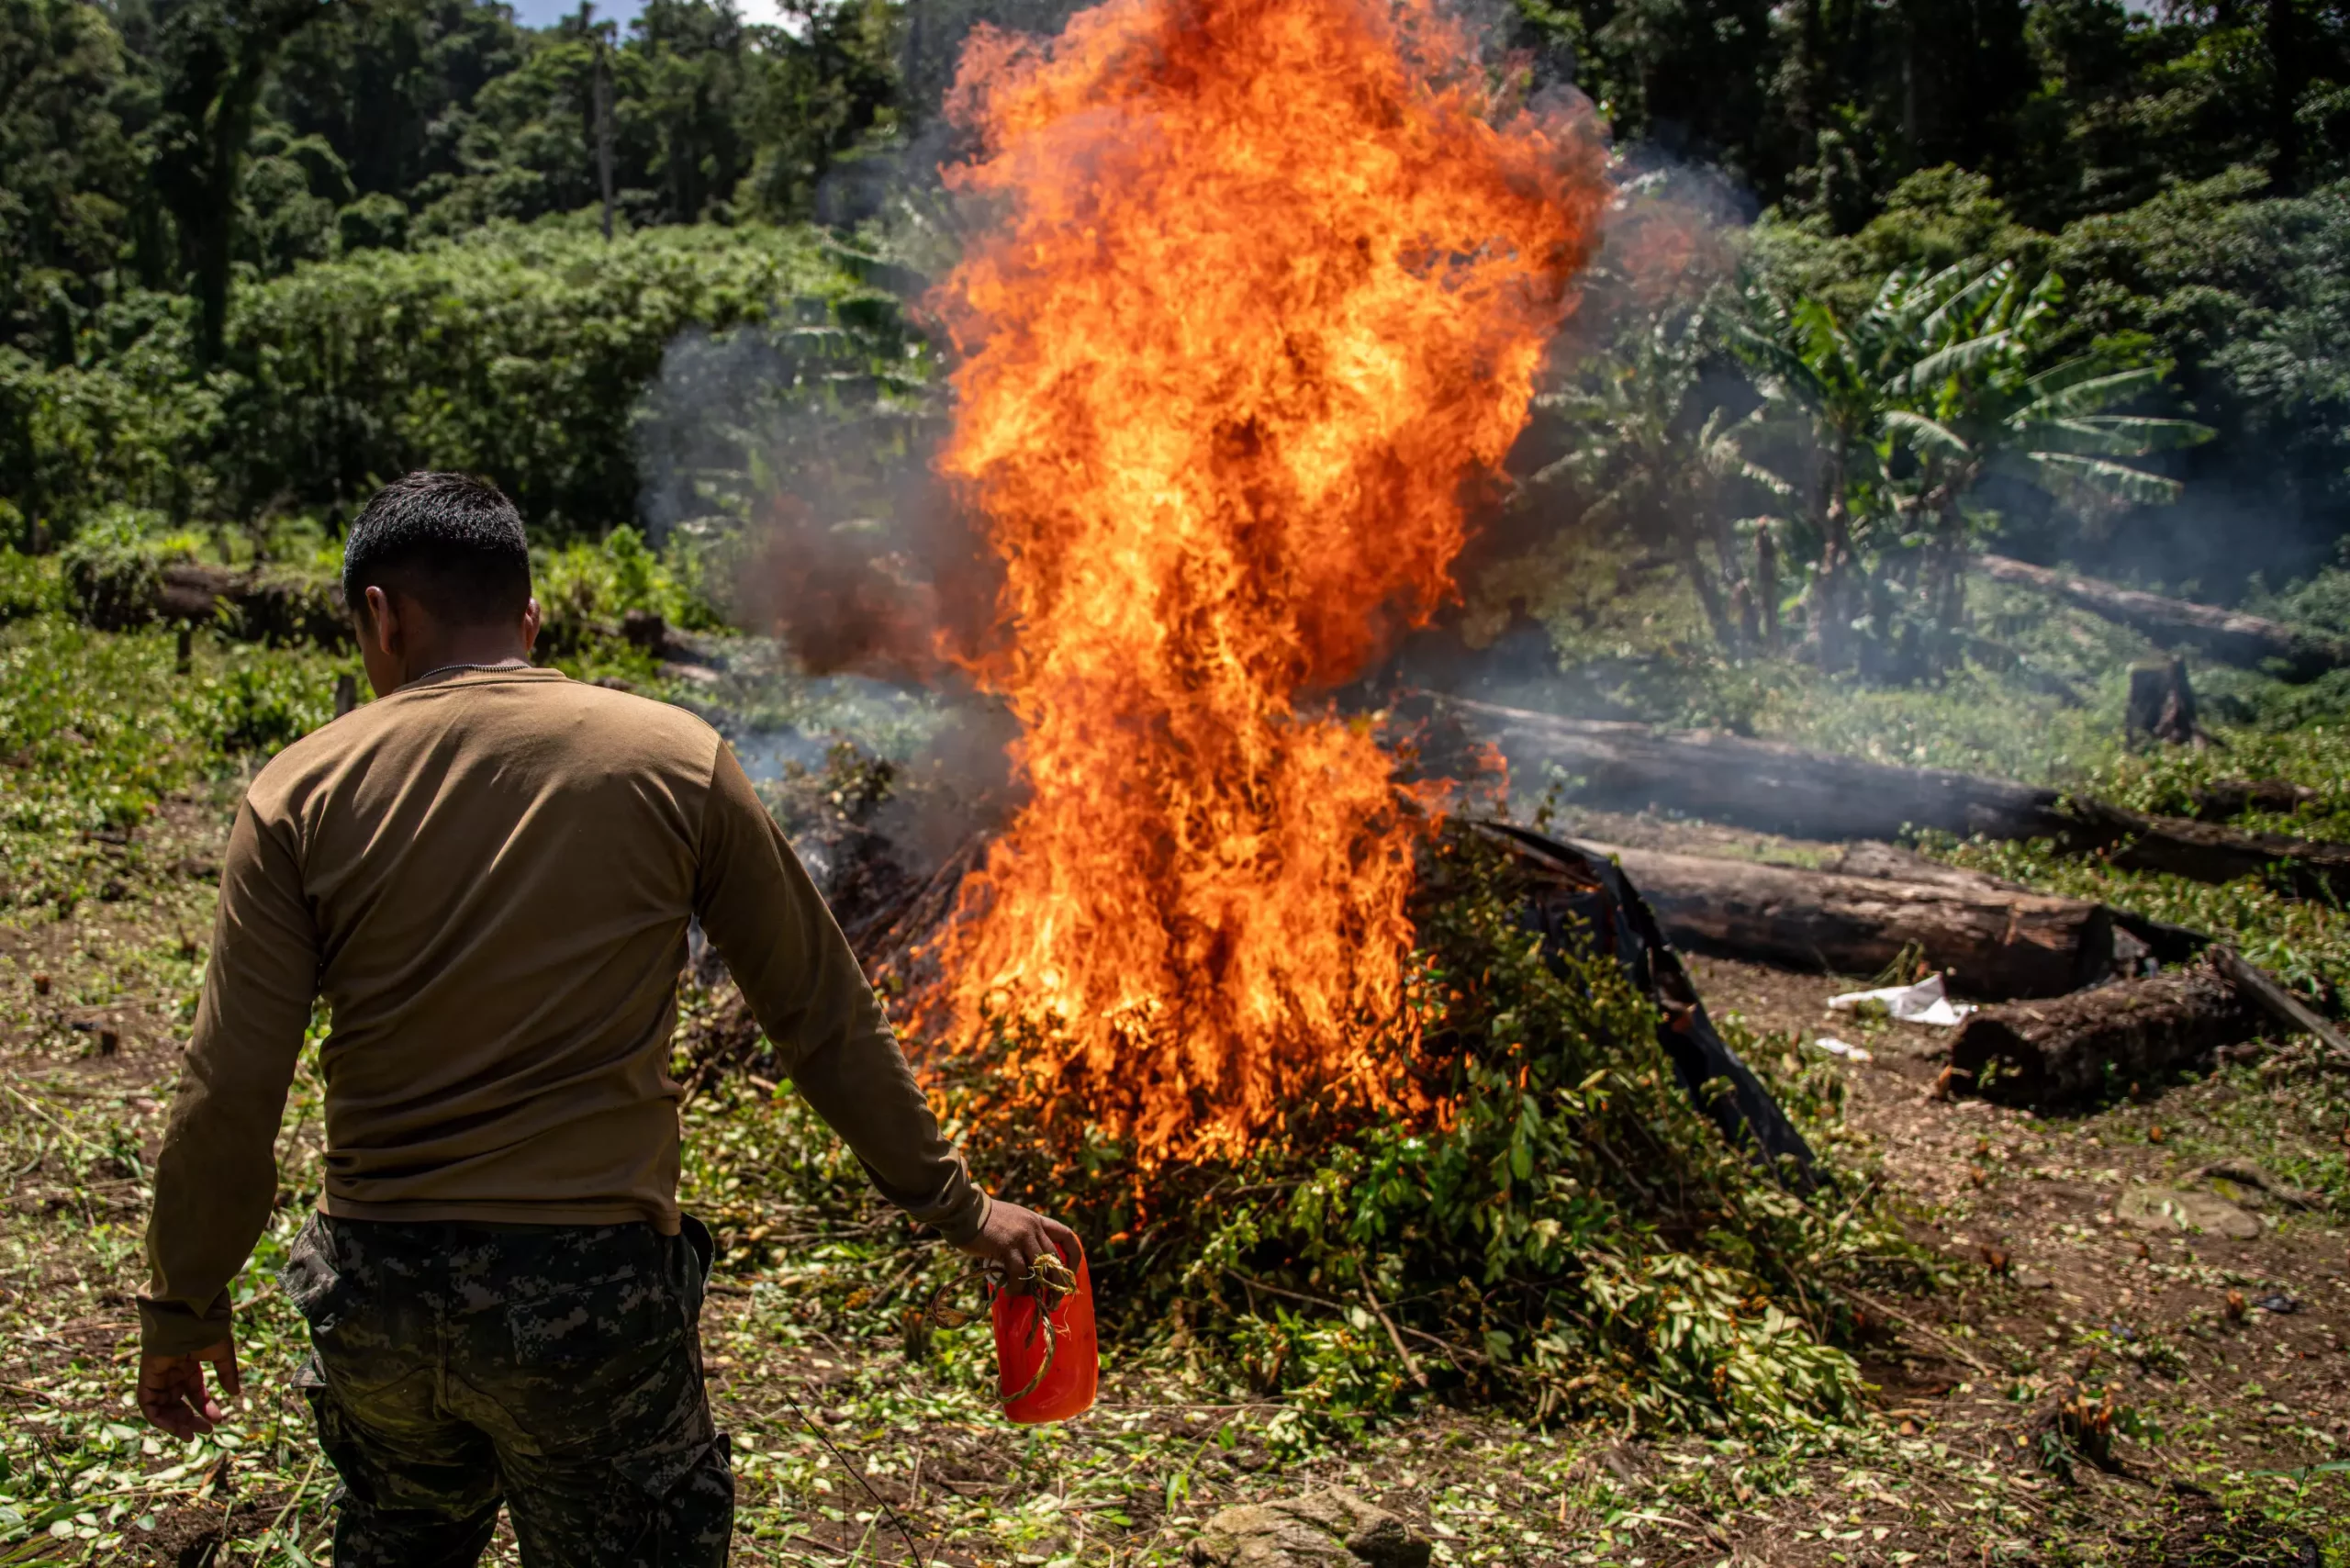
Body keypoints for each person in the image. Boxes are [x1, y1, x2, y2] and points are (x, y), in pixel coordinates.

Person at [132, 471, 1077, 1567]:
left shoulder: (296, 791)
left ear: (380, 616)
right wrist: (957, 1209)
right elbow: (818, 1014)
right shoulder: (673, 758)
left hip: (378, 1296)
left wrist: (184, 1301)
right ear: (530, 617)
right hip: (589, 1304)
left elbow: (228, 1092)